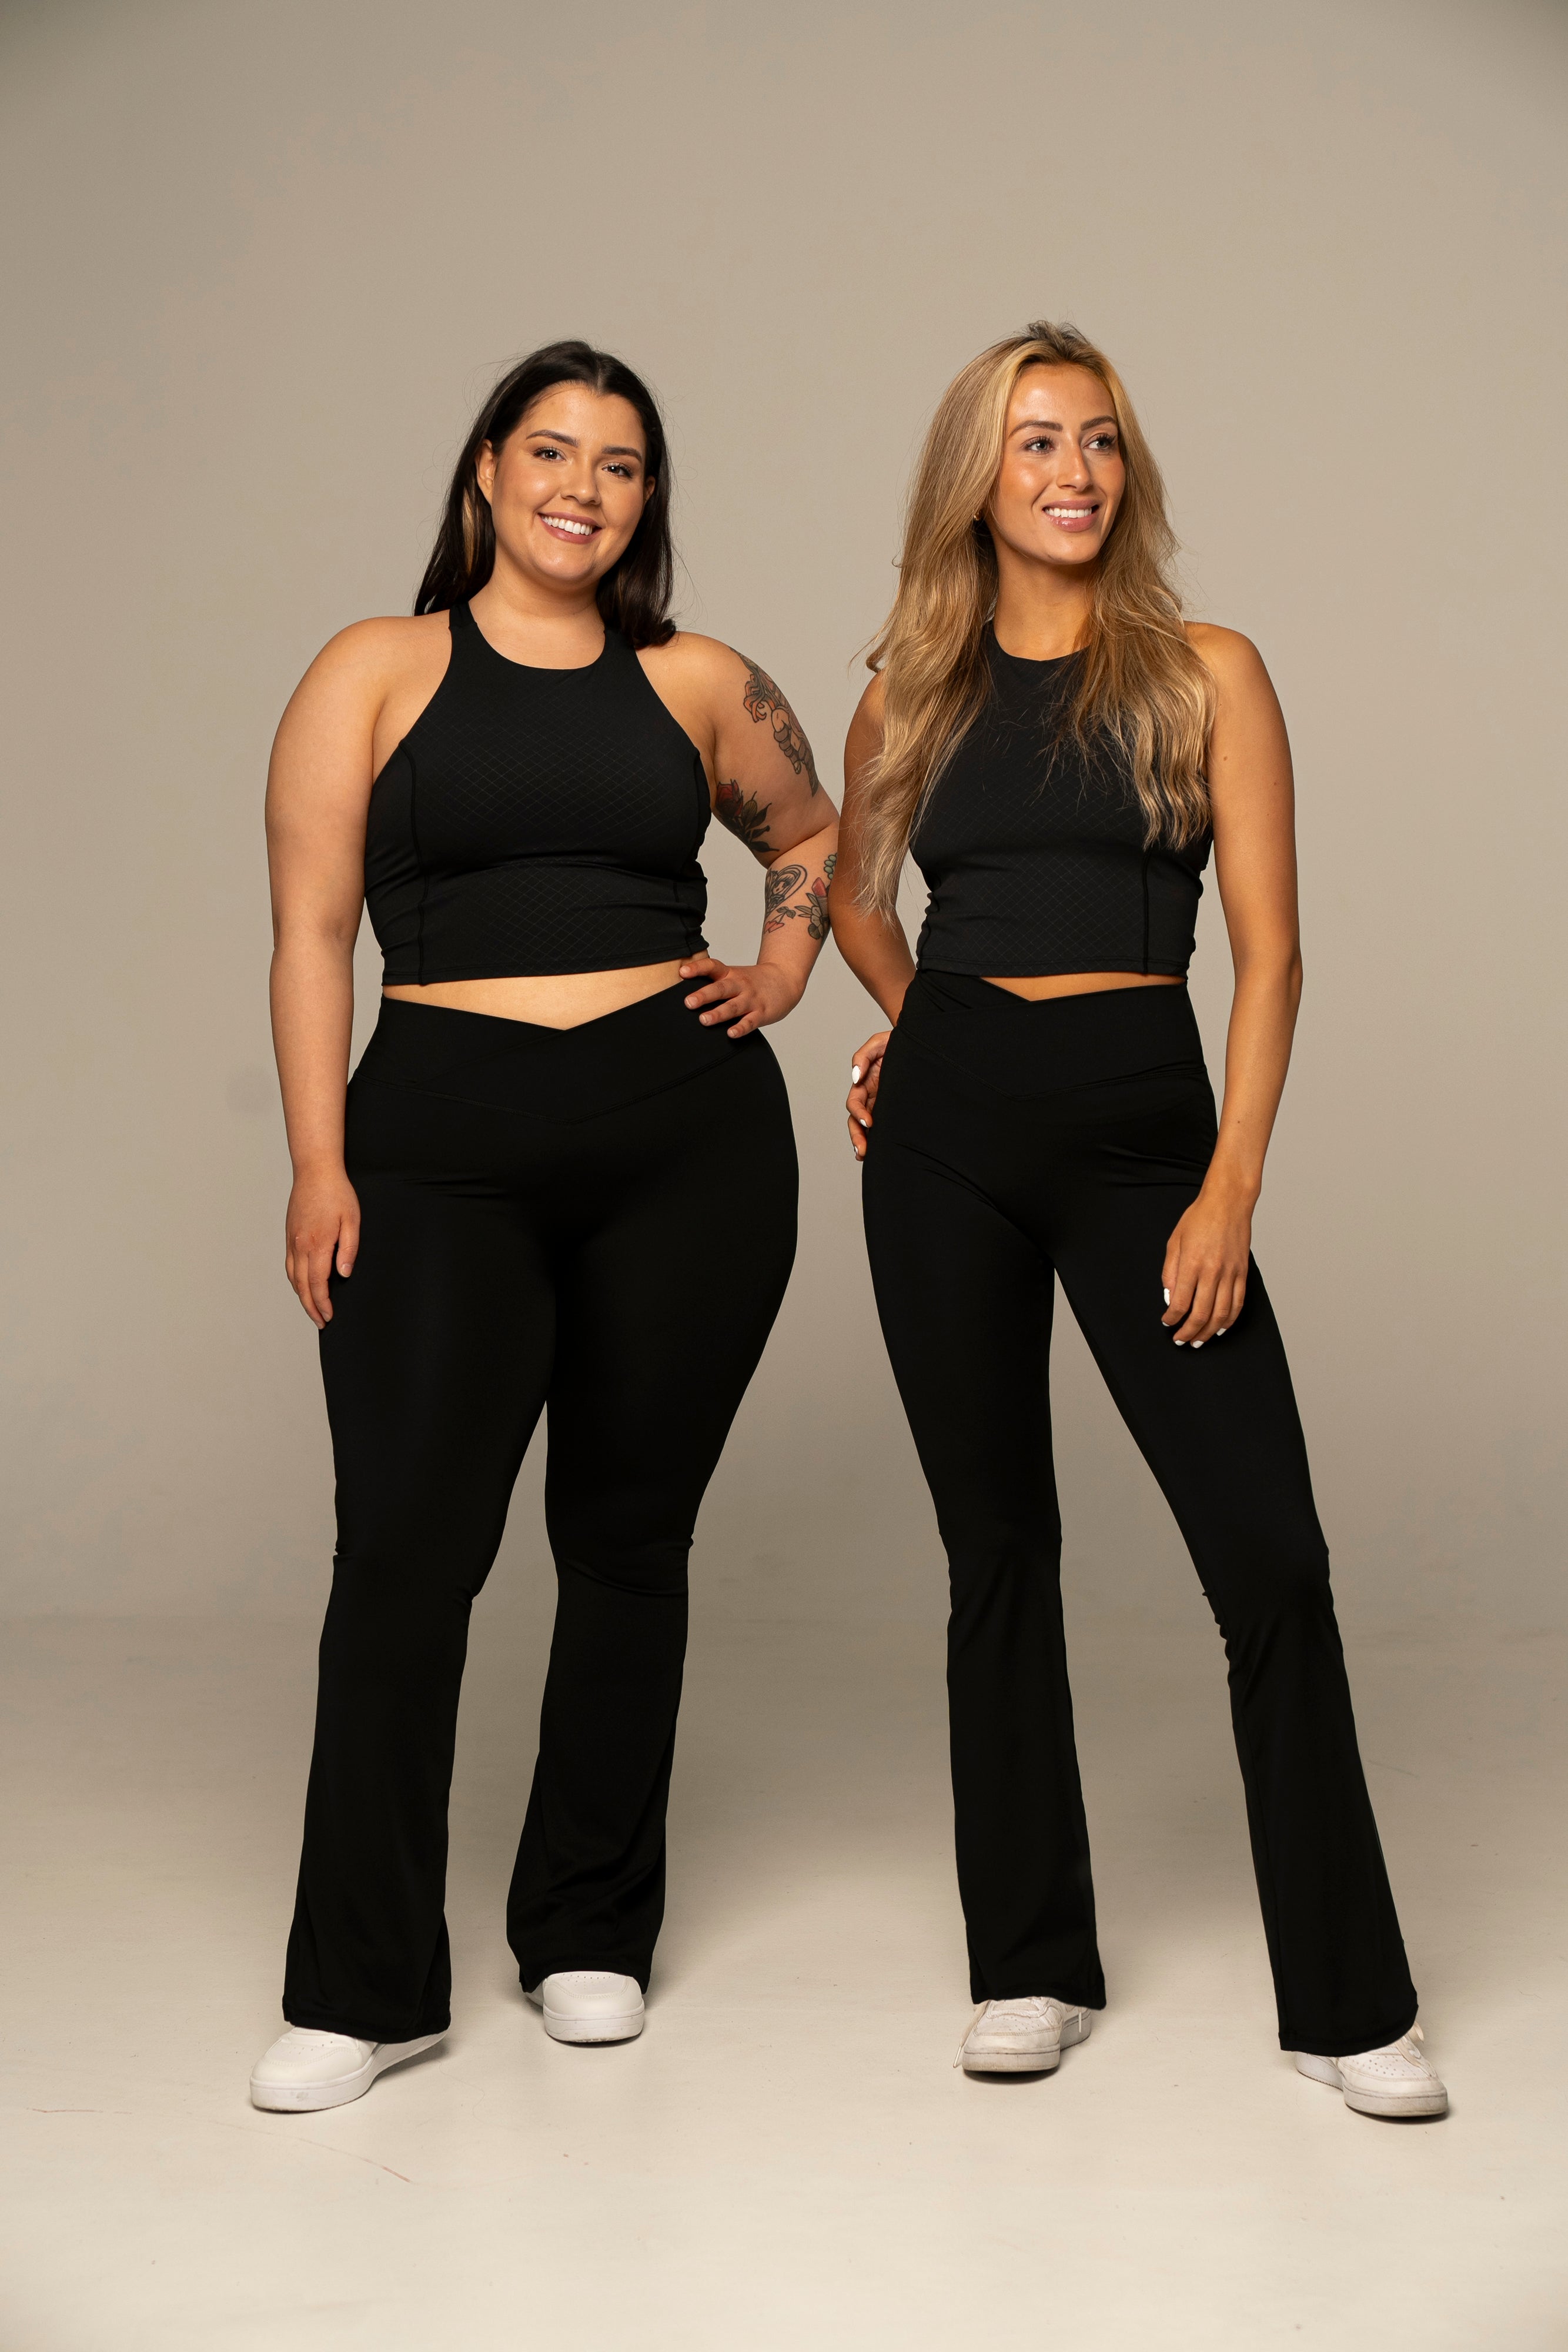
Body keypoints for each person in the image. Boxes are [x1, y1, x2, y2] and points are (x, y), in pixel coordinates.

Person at [829, 320, 1445, 2120]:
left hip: (1143, 1148)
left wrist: (1226, 1185)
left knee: (1269, 1560)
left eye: (1097, 439)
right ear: (976, 478)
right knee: (996, 1547)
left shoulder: (1203, 673)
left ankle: (1348, 2004)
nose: (1074, 471)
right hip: (944, 1145)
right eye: (1035, 441)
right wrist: (912, 1030)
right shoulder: (907, 695)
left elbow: (1273, 953)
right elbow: (851, 891)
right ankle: (1027, 1964)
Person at [250, 341, 836, 2113]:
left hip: (687, 1149)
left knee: (628, 1542)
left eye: (623, 464)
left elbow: (815, 831)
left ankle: (588, 1926)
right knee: (404, 1552)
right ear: (487, 472)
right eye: (554, 453)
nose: (585, 489)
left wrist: (782, 969)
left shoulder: (697, 679)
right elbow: (309, 933)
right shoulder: (375, 667)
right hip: (437, 1153)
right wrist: (319, 1161)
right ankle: (366, 1988)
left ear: (648, 501)